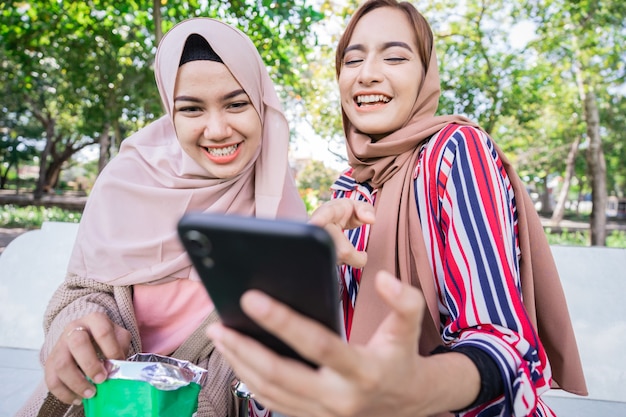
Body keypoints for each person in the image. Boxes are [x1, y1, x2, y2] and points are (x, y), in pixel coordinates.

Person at [206, 1, 588, 416]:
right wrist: (309, 272)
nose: (367, 73)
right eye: (352, 59)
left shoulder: (453, 151)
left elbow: (506, 343)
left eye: (395, 56)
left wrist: (417, 388)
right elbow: (338, 350)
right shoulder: (347, 186)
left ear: (425, 76)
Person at [16, 17, 309, 417]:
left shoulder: (277, 194)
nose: (218, 129)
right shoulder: (127, 178)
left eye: (237, 104)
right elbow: (82, 290)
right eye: (191, 109)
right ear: (171, 112)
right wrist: (81, 328)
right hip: (101, 399)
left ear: (261, 102)